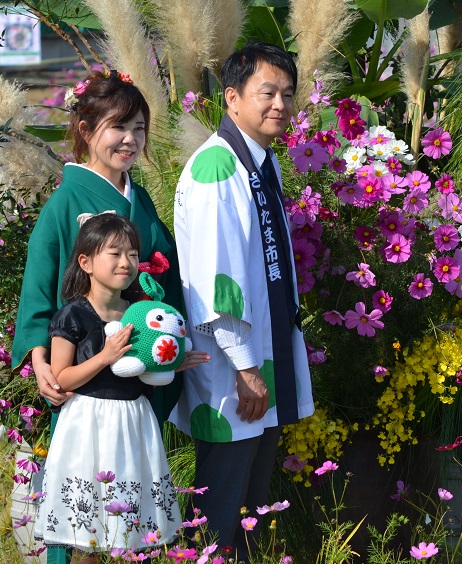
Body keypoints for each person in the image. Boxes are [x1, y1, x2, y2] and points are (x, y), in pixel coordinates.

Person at [11, 69, 198, 564]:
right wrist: (40, 359)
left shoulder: (142, 200)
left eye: (139, 128)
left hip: (135, 363)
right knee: (82, 489)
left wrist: (169, 342)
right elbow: (39, 282)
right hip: (84, 362)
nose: (130, 139)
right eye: (118, 126)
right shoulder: (66, 200)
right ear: (85, 128)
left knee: (127, 490)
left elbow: (167, 273)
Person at [171, 41, 314, 553]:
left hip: (259, 361)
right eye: (267, 92)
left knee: (251, 505)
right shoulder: (218, 168)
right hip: (236, 369)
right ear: (232, 98)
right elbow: (217, 282)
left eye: (288, 94)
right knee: (221, 504)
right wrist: (247, 367)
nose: (280, 104)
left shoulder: (259, 160)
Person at [34, 214, 197, 562]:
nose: (127, 262)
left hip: (133, 421)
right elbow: (62, 378)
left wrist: (170, 362)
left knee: (131, 528)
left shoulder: (138, 313)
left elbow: (143, 366)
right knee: (90, 529)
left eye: (134, 254)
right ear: (86, 262)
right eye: (115, 253)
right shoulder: (72, 315)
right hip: (88, 424)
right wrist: (105, 356)